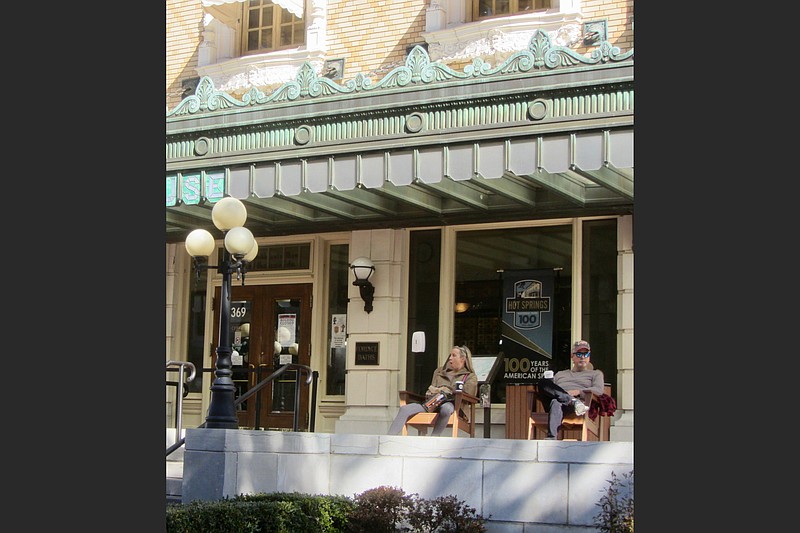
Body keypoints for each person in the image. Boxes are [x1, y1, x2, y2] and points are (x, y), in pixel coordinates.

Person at [388, 345, 479, 436]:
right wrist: (433, 391)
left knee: (446, 409)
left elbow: (470, 392)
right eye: (450, 355)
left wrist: (449, 390)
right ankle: (387, 439)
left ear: (462, 359)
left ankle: (434, 438)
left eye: (454, 355)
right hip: (432, 403)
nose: (450, 358)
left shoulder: (470, 376)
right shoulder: (439, 372)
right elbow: (431, 389)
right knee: (405, 409)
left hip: (453, 405)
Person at [536, 340, 605, 440]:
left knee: (556, 401)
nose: (582, 357)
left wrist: (578, 391)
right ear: (572, 356)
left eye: (586, 354)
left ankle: (551, 438)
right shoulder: (560, 374)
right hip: (556, 401)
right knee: (543, 382)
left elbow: (598, 390)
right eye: (579, 354)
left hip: (576, 407)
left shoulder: (595, 374)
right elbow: (550, 389)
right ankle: (571, 400)